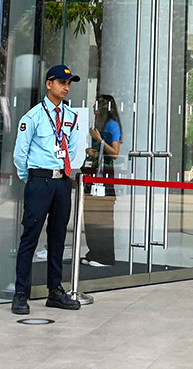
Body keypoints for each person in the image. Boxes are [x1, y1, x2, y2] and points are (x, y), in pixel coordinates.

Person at [11, 64, 82, 315]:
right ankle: (21, 294)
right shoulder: (33, 117)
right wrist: (29, 178)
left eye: (69, 83)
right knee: (30, 237)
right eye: (61, 82)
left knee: (58, 237)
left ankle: (55, 291)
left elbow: (72, 148)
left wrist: (64, 171)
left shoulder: (71, 117)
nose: (66, 87)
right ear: (49, 84)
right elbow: (20, 153)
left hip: (62, 181)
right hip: (39, 180)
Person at [82, 94, 122, 268]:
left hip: (104, 173)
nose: (93, 108)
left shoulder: (112, 125)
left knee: (103, 215)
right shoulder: (98, 124)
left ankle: (105, 256)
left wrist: (100, 140)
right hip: (94, 170)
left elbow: (114, 153)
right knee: (90, 213)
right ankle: (94, 252)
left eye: (96, 105)